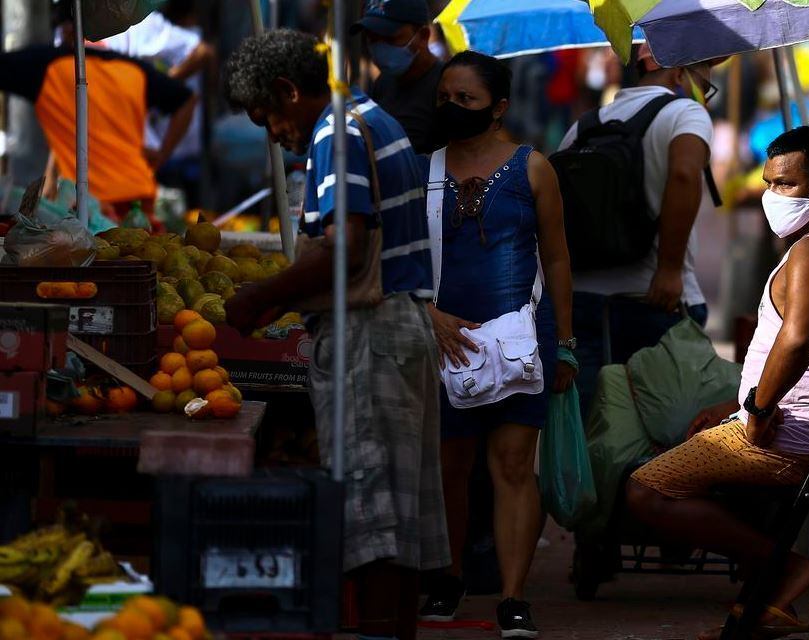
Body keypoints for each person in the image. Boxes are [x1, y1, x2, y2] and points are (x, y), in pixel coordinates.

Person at [221, 30, 445, 640]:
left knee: (372, 515)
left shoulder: (336, 133)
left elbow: (345, 248)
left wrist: (259, 296)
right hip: (398, 326)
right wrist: (282, 299)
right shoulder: (367, 117)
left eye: (268, 118)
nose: (274, 136)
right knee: (396, 516)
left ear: (288, 92)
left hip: (372, 334)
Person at [625, 125, 809, 636]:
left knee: (646, 490)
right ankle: (773, 594)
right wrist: (738, 404)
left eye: (786, 184)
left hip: (788, 435)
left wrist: (758, 410)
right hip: (797, 422)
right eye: (769, 183)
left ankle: (787, 568)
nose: (772, 196)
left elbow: (798, 341)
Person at [421, 51, 574, 639]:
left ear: (499, 107)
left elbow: (556, 258)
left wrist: (566, 342)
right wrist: (428, 314)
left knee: (511, 465)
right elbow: (400, 259)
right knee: (449, 466)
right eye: (445, 97)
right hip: (443, 338)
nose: (452, 107)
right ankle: (450, 577)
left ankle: (513, 596)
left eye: (466, 99)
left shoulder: (533, 168)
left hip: (520, 337)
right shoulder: (424, 170)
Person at [558, 44, 718, 415]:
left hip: (583, 300)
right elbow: (684, 173)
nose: (704, 95)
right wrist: (669, 269)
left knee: (591, 426)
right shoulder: (685, 112)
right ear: (678, 72)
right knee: (662, 430)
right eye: (704, 83)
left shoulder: (585, 125)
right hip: (653, 299)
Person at [0, 6, 196, 224]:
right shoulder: (134, 69)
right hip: (137, 197)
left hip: (90, 204)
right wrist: (162, 155)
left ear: (66, 30)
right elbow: (187, 100)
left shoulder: (46, 65)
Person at [96, 0, 216, 206]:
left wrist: (163, 86)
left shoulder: (138, 26)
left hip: (142, 158)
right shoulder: (67, 31)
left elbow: (203, 53)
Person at [353, 0, 444, 154]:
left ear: (423, 36)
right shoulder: (383, 82)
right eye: (372, 39)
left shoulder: (446, 86)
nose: (380, 47)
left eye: (390, 38)